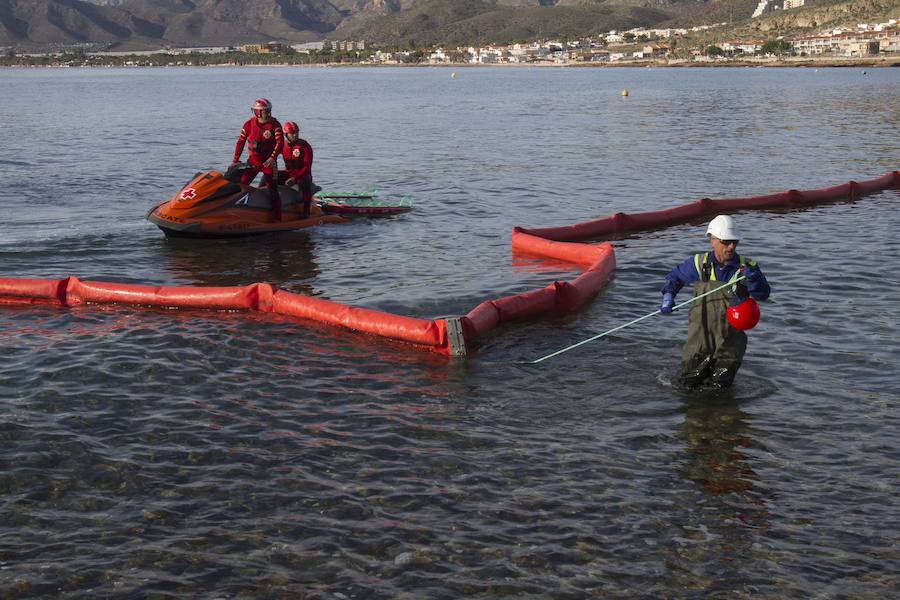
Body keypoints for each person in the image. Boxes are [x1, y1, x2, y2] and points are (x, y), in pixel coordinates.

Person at [660, 215, 771, 388]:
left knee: (721, 392)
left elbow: (763, 295)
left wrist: (755, 279)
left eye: (735, 242)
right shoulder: (699, 263)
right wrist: (668, 296)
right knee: (688, 387)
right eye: (726, 241)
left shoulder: (747, 266)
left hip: (730, 346)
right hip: (699, 341)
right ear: (712, 241)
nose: (731, 246)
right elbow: (674, 278)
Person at [232, 98, 284, 221]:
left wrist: (272, 158)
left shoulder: (275, 125)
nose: (268, 113)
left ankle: (277, 218)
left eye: (269, 110)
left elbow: (280, 142)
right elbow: (240, 142)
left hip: (268, 163)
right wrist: (235, 160)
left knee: (273, 190)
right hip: (253, 162)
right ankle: (235, 212)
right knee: (241, 186)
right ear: (257, 112)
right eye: (265, 111)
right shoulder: (248, 124)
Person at [277, 120, 314, 218]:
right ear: (286, 134)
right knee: (269, 176)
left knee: (305, 182)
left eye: (296, 133)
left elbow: (307, 167)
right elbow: (271, 158)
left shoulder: (305, 146)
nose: (295, 135)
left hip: (303, 175)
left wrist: (295, 179)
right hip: (289, 173)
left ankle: (306, 212)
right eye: (292, 133)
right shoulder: (282, 145)